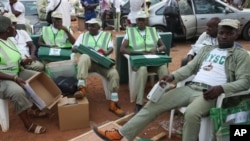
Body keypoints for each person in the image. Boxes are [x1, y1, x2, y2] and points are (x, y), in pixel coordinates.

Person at [93, 19, 250, 141]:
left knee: (191, 114)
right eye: (222, 32)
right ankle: (121, 134)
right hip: (191, 87)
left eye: (229, 33)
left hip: (210, 93)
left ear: (236, 34)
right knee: (155, 103)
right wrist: (173, 76)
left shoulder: (240, 55)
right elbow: (189, 69)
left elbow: (245, 81)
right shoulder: (207, 49)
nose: (224, 36)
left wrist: (221, 88)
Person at [0, 15, 47, 134]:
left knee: (38, 78)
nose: (14, 27)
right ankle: (28, 125)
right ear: (7, 30)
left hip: (17, 72)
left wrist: (22, 61)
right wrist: (14, 78)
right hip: (3, 79)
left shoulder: (9, 40)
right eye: (11, 25)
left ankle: (34, 108)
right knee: (18, 92)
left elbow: (11, 59)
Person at [72, 18, 125, 117]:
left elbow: (110, 48)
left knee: (114, 74)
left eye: (93, 26)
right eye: (89, 26)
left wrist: (106, 52)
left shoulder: (105, 35)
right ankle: (82, 88)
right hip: (89, 65)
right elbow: (74, 48)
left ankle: (113, 103)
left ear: (99, 27)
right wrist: (83, 49)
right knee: (84, 57)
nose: (90, 28)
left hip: (102, 64)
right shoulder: (83, 35)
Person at [120, 11, 168, 113]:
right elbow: (122, 49)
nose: (141, 22)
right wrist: (137, 53)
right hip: (139, 63)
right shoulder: (130, 32)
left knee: (163, 68)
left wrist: (157, 50)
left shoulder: (153, 31)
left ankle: (163, 99)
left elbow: (163, 46)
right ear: (136, 21)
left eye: (143, 20)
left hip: (153, 62)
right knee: (142, 70)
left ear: (146, 21)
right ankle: (139, 102)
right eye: (139, 20)